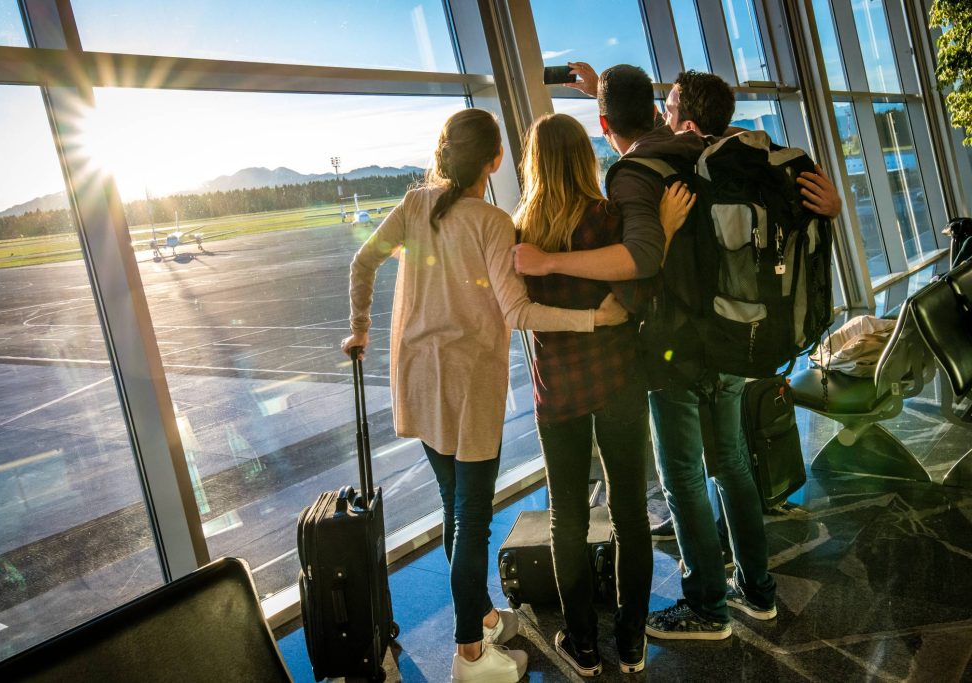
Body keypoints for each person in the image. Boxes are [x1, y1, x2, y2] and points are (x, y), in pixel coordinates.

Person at [532, 64, 841, 640]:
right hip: (732, 335)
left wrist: (556, 267)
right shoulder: (706, 148)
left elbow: (640, 267)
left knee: (682, 477)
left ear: (605, 125)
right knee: (732, 464)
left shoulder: (634, 173)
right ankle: (758, 591)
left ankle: (706, 606)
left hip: (678, 347)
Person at [341, 108, 628, 683]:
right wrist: (593, 319)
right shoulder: (494, 223)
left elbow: (362, 260)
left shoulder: (413, 205)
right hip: (468, 386)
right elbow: (518, 311)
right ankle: (469, 652)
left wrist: (362, 326)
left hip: (419, 379)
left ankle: (483, 616)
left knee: (454, 508)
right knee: (471, 522)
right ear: (496, 161)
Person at [514, 112, 694, 676]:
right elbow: (640, 289)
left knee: (566, 517)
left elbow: (518, 313)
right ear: (583, 160)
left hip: (558, 389)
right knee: (629, 514)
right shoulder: (608, 219)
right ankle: (633, 640)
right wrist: (663, 229)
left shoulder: (520, 235)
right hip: (618, 378)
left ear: (534, 165)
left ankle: (584, 645)